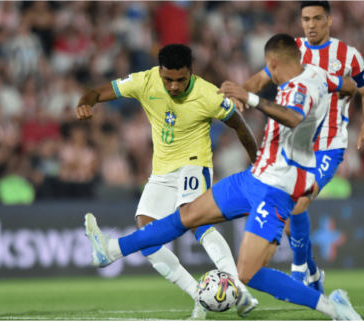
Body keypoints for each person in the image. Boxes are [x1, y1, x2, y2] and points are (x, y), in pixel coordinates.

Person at [84, 34, 363, 320]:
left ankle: (331, 306)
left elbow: (292, 117)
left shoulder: (303, 88)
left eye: (268, 70)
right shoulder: (319, 76)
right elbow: (352, 85)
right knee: (188, 215)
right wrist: (349, 98)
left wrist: (251, 98)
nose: (266, 75)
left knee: (248, 272)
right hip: (253, 177)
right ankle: (112, 250)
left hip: (277, 189)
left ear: (274, 63)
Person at [76, 44, 259, 319]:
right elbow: (99, 91)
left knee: (194, 220)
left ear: (191, 73)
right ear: (159, 72)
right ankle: (200, 296)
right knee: (146, 235)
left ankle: (240, 291)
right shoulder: (145, 80)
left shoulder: (208, 94)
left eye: (180, 80)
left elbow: (241, 125)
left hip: (194, 164)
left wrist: (258, 163)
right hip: (161, 171)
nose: (173, 86)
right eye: (168, 79)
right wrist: (84, 101)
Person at [241, 1, 364, 292]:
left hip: (329, 145)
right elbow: (261, 78)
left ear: (329, 19)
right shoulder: (292, 51)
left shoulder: (349, 55)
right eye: (305, 19)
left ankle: (300, 271)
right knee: (290, 219)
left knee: (300, 202)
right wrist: (241, 93)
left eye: (317, 18)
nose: (311, 24)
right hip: (294, 146)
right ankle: (314, 273)